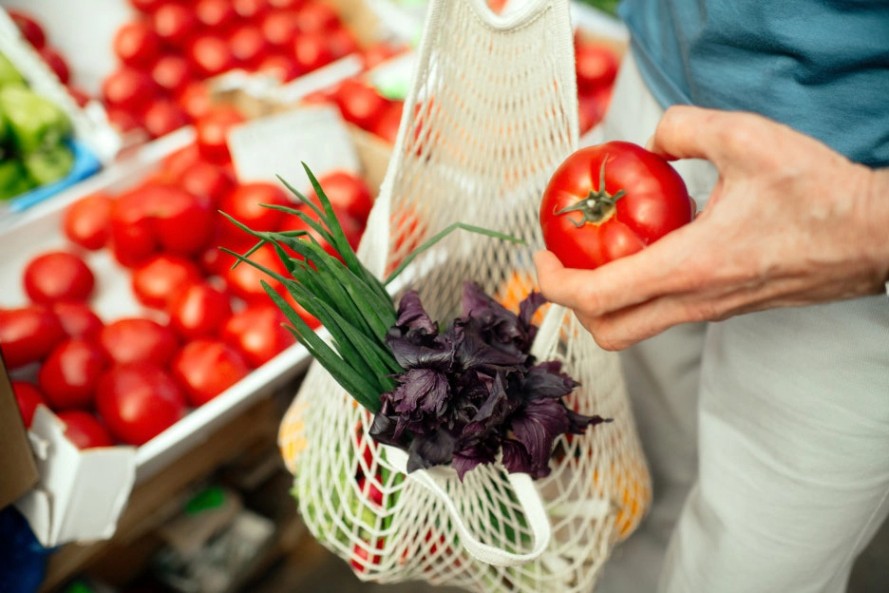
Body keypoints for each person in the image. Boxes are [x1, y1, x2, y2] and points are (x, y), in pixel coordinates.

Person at [533, 2, 889, 592]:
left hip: (848, 190)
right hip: (658, 92)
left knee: (744, 568)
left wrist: (867, 223)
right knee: (641, 470)